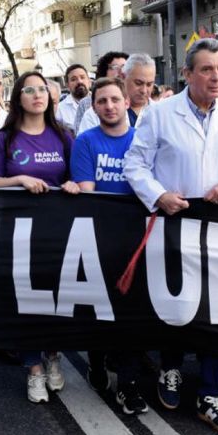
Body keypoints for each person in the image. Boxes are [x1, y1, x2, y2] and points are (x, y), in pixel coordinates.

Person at [124, 38, 218, 435]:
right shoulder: (160, 114)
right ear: (187, 74)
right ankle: (170, 367)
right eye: (206, 69)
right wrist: (159, 195)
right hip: (175, 225)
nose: (216, 77)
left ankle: (212, 395)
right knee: (179, 305)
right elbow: (136, 165)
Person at [0, 70, 78, 404]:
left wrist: (73, 185)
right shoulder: (5, 138)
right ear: (18, 98)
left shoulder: (64, 136)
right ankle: (33, 368)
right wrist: (20, 178)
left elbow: (78, 179)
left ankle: (53, 355)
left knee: (57, 298)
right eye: (29, 90)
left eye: (42, 89)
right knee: (26, 299)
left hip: (58, 231)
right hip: (18, 232)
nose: (38, 95)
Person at [69, 77, 148, 414]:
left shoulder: (143, 140)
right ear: (94, 107)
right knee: (98, 311)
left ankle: (128, 385)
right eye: (102, 101)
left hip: (138, 241)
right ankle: (98, 361)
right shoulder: (85, 142)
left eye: (115, 99)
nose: (110, 106)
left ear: (127, 102)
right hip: (99, 238)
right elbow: (88, 191)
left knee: (130, 315)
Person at [78, 53, 156, 135]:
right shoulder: (97, 113)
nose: (144, 90)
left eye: (149, 84)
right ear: (123, 77)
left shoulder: (161, 113)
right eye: (138, 83)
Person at [73, 51, 128, 131]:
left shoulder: (141, 102)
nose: (121, 71)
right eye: (115, 67)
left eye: (124, 67)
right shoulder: (87, 105)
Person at [56, 63, 91, 134]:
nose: (79, 81)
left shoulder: (103, 102)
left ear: (89, 81)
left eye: (82, 77)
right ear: (67, 85)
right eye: (73, 79)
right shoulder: (60, 110)